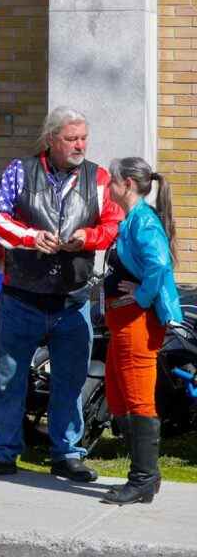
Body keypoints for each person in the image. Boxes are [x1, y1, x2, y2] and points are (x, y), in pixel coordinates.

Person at [0, 106, 123, 481]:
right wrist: (29, 237)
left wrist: (88, 237)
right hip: (23, 296)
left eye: (83, 138)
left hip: (73, 299)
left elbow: (113, 223)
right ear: (51, 138)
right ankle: (2, 454)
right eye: (71, 138)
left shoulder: (98, 177)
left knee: (70, 381)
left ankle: (67, 454)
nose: (79, 145)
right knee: (8, 378)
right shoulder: (20, 171)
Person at [101, 157, 181, 505]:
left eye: (112, 181)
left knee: (137, 399)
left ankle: (143, 480)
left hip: (136, 324)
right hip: (121, 324)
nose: (108, 186)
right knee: (118, 397)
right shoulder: (131, 219)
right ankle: (148, 476)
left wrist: (143, 294)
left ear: (128, 185)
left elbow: (160, 264)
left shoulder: (143, 222)